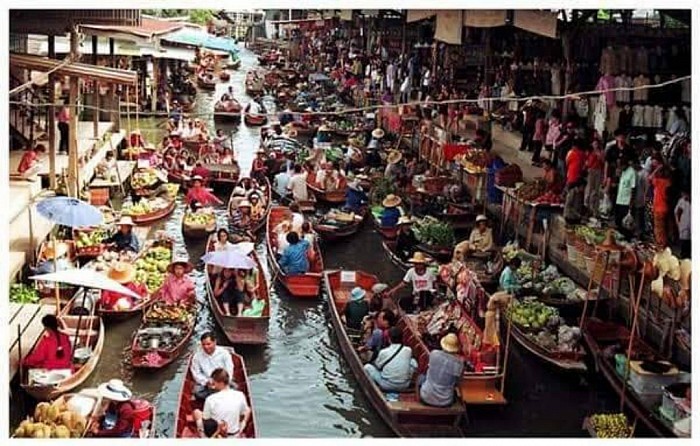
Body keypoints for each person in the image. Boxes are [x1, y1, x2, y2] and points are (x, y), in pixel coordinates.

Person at [193, 369, 251, 438]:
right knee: (247, 410)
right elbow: (242, 416)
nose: (212, 384)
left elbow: (206, 420)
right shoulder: (240, 395)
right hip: (234, 434)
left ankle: (203, 436)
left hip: (216, 435)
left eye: (214, 382)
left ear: (220, 383)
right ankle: (240, 431)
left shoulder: (210, 399)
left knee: (196, 413)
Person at [363, 327, 417, 392]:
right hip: (404, 385)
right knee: (413, 361)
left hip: (386, 385)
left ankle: (373, 388)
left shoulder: (384, 352)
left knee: (367, 367)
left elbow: (377, 366)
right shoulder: (408, 350)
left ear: (389, 339)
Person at [418, 333, 464, 407]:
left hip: (426, 397)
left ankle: (420, 398)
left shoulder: (434, 354)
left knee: (421, 377)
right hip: (446, 401)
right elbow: (458, 381)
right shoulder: (459, 363)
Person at [190, 333, 235, 400]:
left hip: (223, 381)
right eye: (203, 345)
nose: (206, 347)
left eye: (208, 344)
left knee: (235, 388)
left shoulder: (224, 353)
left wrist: (222, 383)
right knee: (197, 391)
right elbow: (196, 373)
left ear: (214, 342)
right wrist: (207, 381)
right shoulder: (197, 356)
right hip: (207, 382)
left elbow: (229, 369)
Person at [649, 164, 672, 248]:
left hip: (658, 209)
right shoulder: (668, 182)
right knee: (664, 228)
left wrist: (657, 169)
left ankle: (661, 246)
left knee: (659, 230)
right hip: (665, 207)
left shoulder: (658, 182)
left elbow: (650, 177)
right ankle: (665, 243)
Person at [615, 156, 636, 238]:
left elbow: (633, 188)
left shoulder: (632, 172)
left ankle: (627, 237)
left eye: (620, 165)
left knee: (626, 223)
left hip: (626, 201)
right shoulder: (622, 172)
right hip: (619, 199)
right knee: (618, 220)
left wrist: (631, 202)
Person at [584, 140, 605, 216]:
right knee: (589, 189)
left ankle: (594, 208)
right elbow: (586, 162)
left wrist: (599, 155)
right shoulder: (590, 152)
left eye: (596, 144)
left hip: (598, 171)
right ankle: (587, 207)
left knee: (596, 190)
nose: (595, 145)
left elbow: (603, 161)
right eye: (594, 144)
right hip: (591, 170)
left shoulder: (601, 152)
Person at [675, 189, 691, 258]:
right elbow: (677, 212)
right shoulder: (682, 201)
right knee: (684, 243)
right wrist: (678, 223)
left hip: (689, 226)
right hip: (684, 226)